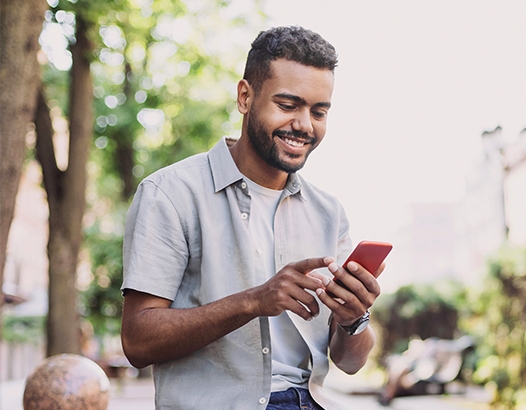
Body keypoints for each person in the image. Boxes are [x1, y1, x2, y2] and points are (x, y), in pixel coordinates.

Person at [120, 26, 382, 410]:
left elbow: (350, 362)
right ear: (245, 97)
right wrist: (254, 301)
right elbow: (138, 342)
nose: (305, 125)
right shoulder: (171, 194)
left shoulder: (329, 212)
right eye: (289, 105)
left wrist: (354, 319)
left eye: (318, 111)